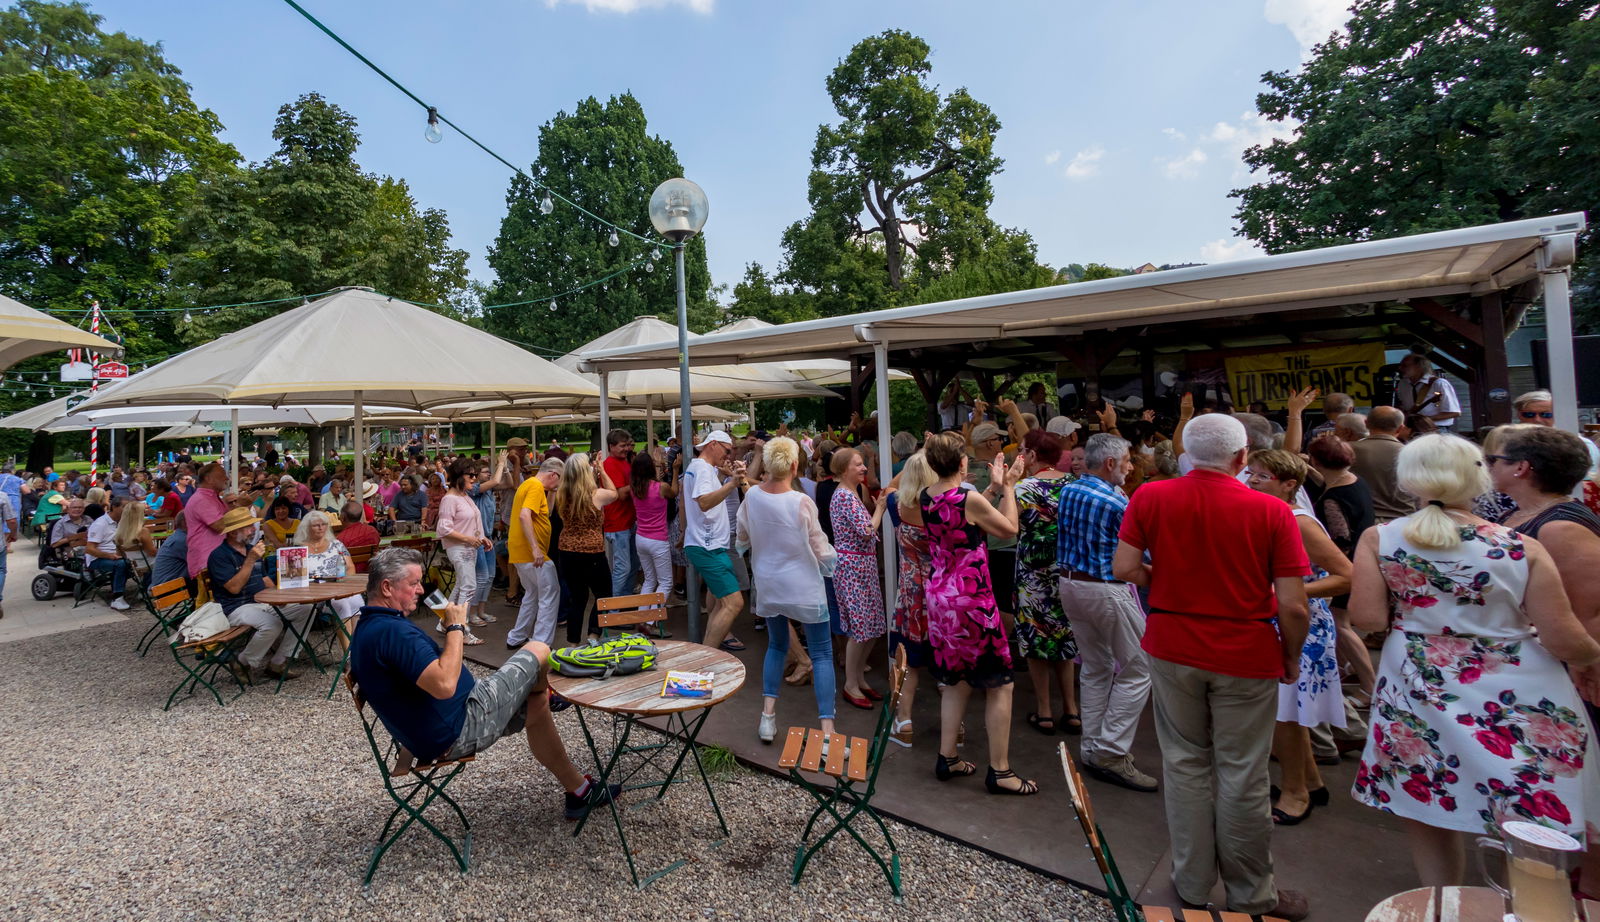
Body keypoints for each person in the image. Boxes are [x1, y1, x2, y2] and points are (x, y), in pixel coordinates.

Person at [1348, 434, 1600, 887]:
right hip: (1518, 686)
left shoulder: (1381, 538)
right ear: (1477, 478)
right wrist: (1591, 656)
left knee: (1428, 796)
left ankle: (1443, 904)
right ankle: (1526, 907)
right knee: (1529, 804)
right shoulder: (1520, 545)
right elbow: (1564, 637)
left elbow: (1366, 617)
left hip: (1416, 680)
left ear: (1409, 481)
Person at [1112, 413, 1311, 921]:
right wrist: (1290, 654)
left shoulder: (1151, 496)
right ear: (1243, 459)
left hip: (1173, 642)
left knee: (1183, 765)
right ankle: (1251, 893)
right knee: (1242, 773)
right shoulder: (1272, 511)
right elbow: (1293, 605)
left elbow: (1125, 569)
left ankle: (1193, 882)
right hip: (1245, 649)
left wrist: (1169, 577)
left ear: (1187, 455)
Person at [347, 547, 619, 821]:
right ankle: (546, 690)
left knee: (536, 705)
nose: (420, 590)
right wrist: (455, 627)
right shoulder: (393, 633)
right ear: (386, 587)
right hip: (460, 725)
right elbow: (444, 685)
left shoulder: (369, 626)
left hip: (433, 728)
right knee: (539, 649)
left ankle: (579, 790)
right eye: (413, 583)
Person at [919, 432, 1036, 795]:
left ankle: (948, 756)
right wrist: (1010, 488)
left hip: (941, 598)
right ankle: (1000, 772)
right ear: (963, 462)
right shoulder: (966, 497)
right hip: (971, 599)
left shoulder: (928, 496)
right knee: (1001, 683)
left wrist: (994, 490)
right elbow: (1009, 528)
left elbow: (964, 517)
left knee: (956, 680)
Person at [1243, 449, 1352, 825]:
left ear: (1289, 485)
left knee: (1283, 714)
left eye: (1261, 476)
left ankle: (1295, 793)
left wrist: (1290, 592)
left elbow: (1346, 574)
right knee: (1284, 714)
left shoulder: (1299, 521)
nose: (1251, 480)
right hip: (1272, 621)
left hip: (1299, 624)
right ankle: (1311, 781)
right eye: (1250, 473)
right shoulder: (1264, 513)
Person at [1057, 433, 1157, 792]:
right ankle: (1111, 752)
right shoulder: (1117, 503)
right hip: (1105, 590)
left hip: (1070, 585)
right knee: (1140, 665)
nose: (1131, 467)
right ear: (1111, 463)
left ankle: (1093, 747)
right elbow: (1140, 555)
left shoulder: (1070, 489)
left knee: (1097, 667)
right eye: (1128, 460)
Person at [737, 436, 838, 744]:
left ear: (767, 464)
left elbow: (741, 537)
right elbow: (820, 547)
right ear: (795, 465)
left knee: (777, 646)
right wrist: (833, 563)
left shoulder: (753, 495)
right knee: (821, 653)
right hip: (803, 585)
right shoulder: (801, 501)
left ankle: (767, 717)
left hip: (768, 582)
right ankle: (828, 734)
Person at [1012, 429, 1080, 737]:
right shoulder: (1073, 486)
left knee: (1036, 638)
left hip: (1033, 573)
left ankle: (1044, 711)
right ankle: (1071, 708)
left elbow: (1008, 526)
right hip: (1065, 569)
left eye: (1024, 450)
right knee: (1065, 638)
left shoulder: (1024, 487)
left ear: (1034, 455)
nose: (1021, 455)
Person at [206, 507, 315, 683]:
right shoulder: (219, 556)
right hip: (235, 607)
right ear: (234, 532)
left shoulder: (251, 549)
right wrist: (249, 560)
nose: (253, 530)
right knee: (272, 624)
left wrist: (280, 598)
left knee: (307, 609)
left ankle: (278, 662)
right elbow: (233, 588)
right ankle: (242, 662)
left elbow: (265, 580)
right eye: (248, 527)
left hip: (261, 602)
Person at [830, 447, 889, 709]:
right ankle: (851, 684)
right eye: (858, 464)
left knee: (873, 626)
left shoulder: (851, 493)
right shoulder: (844, 496)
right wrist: (881, 510)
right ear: (844, 470)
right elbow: (867, 531)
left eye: (863, 464)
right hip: (853, 567)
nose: (864, 468)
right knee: (860, 628)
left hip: (861, 566)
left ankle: (859, 681)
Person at [884, 452, 936, 747]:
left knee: (906, 662)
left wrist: (913, 465)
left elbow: (888, 488)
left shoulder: (898, 506)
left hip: (910, 595)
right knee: (947, 665)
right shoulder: (946, 508)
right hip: (942, 593)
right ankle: (957, 728)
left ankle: (903, 722)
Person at [683, 431, 748, 651]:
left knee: (722, 603)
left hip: (707, 544)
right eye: (727, 450)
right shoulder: (702, 468)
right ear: (713, 445)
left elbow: (703, 497)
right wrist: (732, 484)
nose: (729, 456)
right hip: (708, 546)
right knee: (734, 603)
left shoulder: (700, 468)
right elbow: (703, 502)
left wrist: (723, 477)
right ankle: (705, 659)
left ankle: (706, 653)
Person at [556, 453, 619, 645]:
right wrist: (602, 469)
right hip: (592, 552)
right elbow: (614, 493)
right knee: (604, 594)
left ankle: (573, 641)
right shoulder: (595, 495)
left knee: (578, 598)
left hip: (567, 550)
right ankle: (593, 634)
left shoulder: (561, 494)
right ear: (586, 472)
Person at [506, 458, 563, 649]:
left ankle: (517, 636)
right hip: (532, 554)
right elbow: (524, 515)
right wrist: (535, 548)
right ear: (553, 475)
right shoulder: (535, 487)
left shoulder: (530, 485)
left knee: (532, 593)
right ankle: (541, 643)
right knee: (550, 593)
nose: (560, 484)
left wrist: (553, 493)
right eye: (559, 480)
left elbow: (543, 515)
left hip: (521, 552)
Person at [438, 459, 494, 638]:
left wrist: (482, 537)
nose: (475, 478)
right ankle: (461, 629)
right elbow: (443, 528)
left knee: (462, 585)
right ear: (458, 476)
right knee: (469, 586)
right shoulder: (450, 499)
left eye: (475, 475)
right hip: (460, 548)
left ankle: (445, 623)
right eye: (471, 475)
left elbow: (471, 522)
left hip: (468, 547)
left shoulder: (464, 496)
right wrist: (469, 538)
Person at [630, 451, 676, 636]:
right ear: (651, 468)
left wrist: (657, 467)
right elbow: (674, 492)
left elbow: (650, 484)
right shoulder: (661, 487)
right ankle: (650, 621)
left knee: (649, 580)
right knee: (665, 582)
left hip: (641, 537)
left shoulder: (634, 488)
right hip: (658, 540)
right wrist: (675, 468)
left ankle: (641, 619)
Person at [292, 510, 361, 622]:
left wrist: (345, 583)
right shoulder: (299, 549)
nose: (321, 528)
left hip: (339, 587)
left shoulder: (337, 544)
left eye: (323, 524)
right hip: (314, 593)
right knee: (341, 604)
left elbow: (350, 567)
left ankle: (355, 638)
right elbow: (294, 576)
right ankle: (347, 640)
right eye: (316, 525)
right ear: (307, 528)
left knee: (356, 600)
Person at [1512, 388, 1600, 473]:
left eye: (1546, 414)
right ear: (1519, 415)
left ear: (1558, 415)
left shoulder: (1581, 445)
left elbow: (1587, 482)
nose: (1537, 419)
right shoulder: (1508, 443)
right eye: (1529, 414)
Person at [1351, 406, 1413, 523]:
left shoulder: (1348, 450)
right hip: (1405, 521)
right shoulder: (1414, 454)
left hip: (1361, 523)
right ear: (1400, 428)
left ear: (1366, 424)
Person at [601, 429, 641, 597]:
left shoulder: (624, 461)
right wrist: (641, 481)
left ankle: (625, 602)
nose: (626, 449)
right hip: (617, 523)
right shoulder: (610, 464)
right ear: (611, 446)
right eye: (622, 446)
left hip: (628, 521)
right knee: (623, 567)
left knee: (633, 564)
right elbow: (620, 494)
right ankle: (612, 609)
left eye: (628, 445)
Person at [83, 496, 134, 611]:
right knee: (121, 564)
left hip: (117, 554)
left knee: (146, 557)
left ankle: (146, 589)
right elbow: (90, 549)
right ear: (114, 507)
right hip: (97, 559)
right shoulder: (100, 523)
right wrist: (110, 556)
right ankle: (117, 598)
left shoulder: (122, 522)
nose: (128, 510)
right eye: (124, 507)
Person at [184, 462, 231, 579]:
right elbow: (220, 526)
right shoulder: (202, 499)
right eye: (222, 475)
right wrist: (240, 508)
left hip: (215, 560)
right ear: (208, 479)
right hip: (207, 563)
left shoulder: (212, 497)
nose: (226, 478)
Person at [1394, 353, 1460, 430]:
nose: (1400, 368)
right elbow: (1404, 406)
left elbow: (1454, 412)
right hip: (1411, 429)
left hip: (1436, 428)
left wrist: (1425, 420)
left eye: (1405, 365)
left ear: (1419, 367)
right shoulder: (1403, 384)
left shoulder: (1439, 383)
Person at [149, 511, 190, 588]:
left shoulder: (178, 536)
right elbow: (200, 563)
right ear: (185, 523)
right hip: (168, 589)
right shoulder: (181, 540)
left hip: (164, 585)